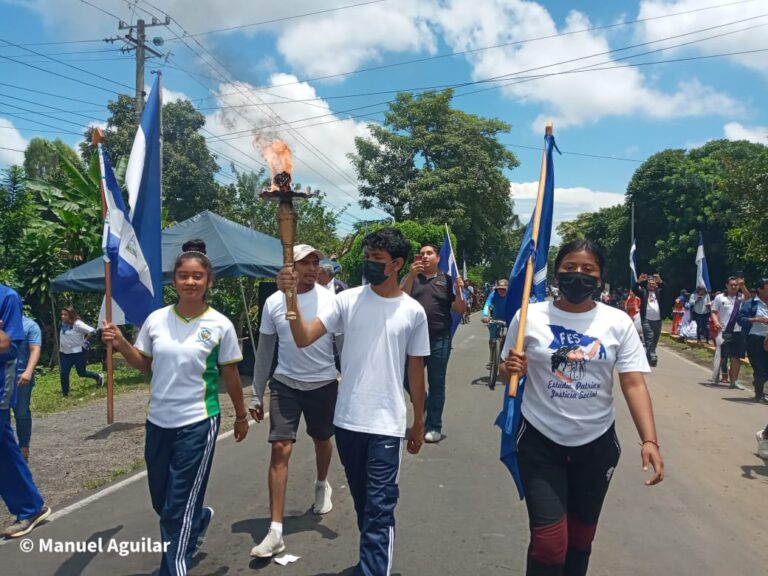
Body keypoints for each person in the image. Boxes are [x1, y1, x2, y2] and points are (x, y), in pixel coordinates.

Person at [500, 239, 663, 576]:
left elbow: (633, 383)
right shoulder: (529, 316)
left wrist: (650, 440)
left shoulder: (617, 322)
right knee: (549, 542)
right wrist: (512, 369)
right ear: (556, 272)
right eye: (570, 268)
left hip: (597, 445)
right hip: (540, 441)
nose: (578, 275)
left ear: (600, 277)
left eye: (588, 269)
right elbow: (507, 372)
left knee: (580, 540)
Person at [277, 228, 429, 576]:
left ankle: (375, 570)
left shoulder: (412, 312)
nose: (369, 264)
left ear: (397, 265)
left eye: (377, 260)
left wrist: (418, 421)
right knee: (364, 504)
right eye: (367, 257)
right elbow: (302, 338)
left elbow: (417, 372)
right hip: (347, 421)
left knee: (380, 508)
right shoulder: (345, 301)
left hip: (387, 425)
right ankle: (369, 564)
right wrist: (289, 297)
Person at [101, 240, 249, 576]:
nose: (190, 282)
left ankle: (174, 567)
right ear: (175, 281)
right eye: (184, 276)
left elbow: (230, 374)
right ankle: (198, 520)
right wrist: (122, 343)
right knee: (162, 500)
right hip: (158, 422)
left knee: (177, 505)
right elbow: (145, 365)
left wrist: (241, 416)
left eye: (198, 276)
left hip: (198, 421)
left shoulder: (220, 325)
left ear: (208, 282)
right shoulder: (156, 320)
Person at [249, 245, 339, 558]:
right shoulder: (273, 303)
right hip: (286, 383)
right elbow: (264, 352)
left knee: (322, 440)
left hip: (324, 382)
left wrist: (350, 378)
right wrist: (256, 392)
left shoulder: (332, 299)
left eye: (316, 263)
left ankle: (321, 482)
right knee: (280, 447)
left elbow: (342, 344)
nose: (313, 268)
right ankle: (275, 530)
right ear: (292, 267)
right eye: (306, 263)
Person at [401, 243, 466, 443]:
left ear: (438, 258)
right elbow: (398, 298)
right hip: (412, 340)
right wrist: (411, 276)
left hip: (439, 339)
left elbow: (460, 309)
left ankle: (434, 425)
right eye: (422, 254)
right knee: (406, 380)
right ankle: (426, 405)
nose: (425, 256)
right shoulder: (410, 278)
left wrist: (459, 291)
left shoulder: (446, 281)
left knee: (437, 383)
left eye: (430, 253)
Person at [0, 283, 51, 538]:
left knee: (3, 445)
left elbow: (9, 349)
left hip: (1, 385)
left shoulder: (7, 297)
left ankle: (30, 507)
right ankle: (30, 506)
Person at [711, 276, 751, 390]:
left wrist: (743, 285)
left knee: (736, 357)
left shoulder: (741, 297)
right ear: (727, 285)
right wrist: (716, 322)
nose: (734, 287)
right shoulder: (720, 297)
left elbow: (748, 299)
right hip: (724, 330)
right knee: (723, 356)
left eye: (736, 285)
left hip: (738, 331)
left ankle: (734, 381)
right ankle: (719, 374)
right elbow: (713, 312)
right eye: (731, 284)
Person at [13, 310, 42, 461]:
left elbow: (35, 349)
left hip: (21, 378)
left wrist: (28, 371)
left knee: (21, 413)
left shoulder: (30, 326)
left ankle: (24, 446)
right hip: (3, 378)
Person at [58, 306, 103, 396]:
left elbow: (92, 331)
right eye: (62, 314)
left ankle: (98, 377)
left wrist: (86, 341)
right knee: (64, 373)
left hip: (78, 352)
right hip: (65, 352)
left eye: (65, 314)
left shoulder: (77, 324)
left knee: (81, 373)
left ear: (71, 315)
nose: (62, 316)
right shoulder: (63, 324)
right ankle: (65, 394)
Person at [739, 278, 768, 402]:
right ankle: (759, 394)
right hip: (754, 339)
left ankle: (758, 383)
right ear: (760, 290)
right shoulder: (750, 303)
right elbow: (741, 320)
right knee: (759, 367)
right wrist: (756, 319)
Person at [632, 273, 665, 367]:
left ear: (656, 285)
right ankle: (653, 355)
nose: (651, 285)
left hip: (658, 320)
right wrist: (639, 281)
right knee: (649, 337)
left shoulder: (659, 292)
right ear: (647, 285)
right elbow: (634, 289)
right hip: (646, 319)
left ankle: (649, 356)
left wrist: (660, 281)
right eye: (650, 284)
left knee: (655, 339)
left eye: (653, 283)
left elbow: (668, 290)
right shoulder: (644, 292)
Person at [481, 279, 509, 368]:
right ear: (497, 289)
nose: (502, 291)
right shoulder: (493, 295)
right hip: (495, 319)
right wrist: (485, 315)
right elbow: (487, 305)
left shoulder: (511, 296)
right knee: (492, 340)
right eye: (500, 289)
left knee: (509, 339)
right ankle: (492, 358)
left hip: (508, 320)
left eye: (504, 289)